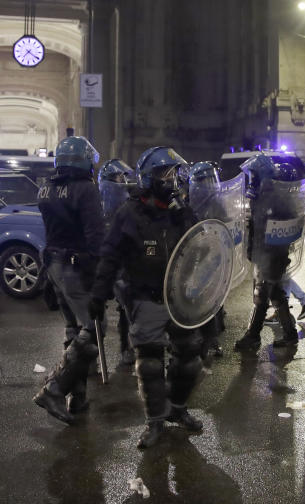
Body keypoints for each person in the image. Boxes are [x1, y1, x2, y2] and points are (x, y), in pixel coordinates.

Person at [89, 146, 204, 449]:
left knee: (190, 358)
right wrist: (99, 294)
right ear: (150, 178)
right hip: (146, 297)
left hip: (179, 299)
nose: (173, 179)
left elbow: (201, 247)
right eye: (166, 174)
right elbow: (110, 255)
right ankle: (155, 422)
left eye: (175, 173)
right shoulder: (129, 214)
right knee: (150, 364)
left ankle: (177, 410)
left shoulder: (181, 211)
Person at [33, 136, 106, 425]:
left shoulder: (46, 188)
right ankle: (54, 389)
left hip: (52, 264)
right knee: (94, 329)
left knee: (73, 330)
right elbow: (95, 235)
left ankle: (78, 398)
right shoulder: (86, 190)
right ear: (85, 160)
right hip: (76, 266)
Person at [234, 154, 305, 353]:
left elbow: (273, 226)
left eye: (254, 175)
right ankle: (290, 334)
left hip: (272, 253)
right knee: (275, 294)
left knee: (261, 295)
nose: (251, 179)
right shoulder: (264, 194)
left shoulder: (276, 198)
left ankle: (252, 337)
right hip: (264, 252)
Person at [186, 161, 228, 359]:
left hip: (213, 256)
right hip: (197, 256)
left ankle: (211, 341)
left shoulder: (216, 203)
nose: (210, 184)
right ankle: (204, 340)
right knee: (200, 299)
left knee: (212, 300)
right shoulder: (191, 203)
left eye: (211, 180)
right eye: (205, 180)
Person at [98, 158, 137, 365]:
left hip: (123, 260)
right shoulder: (100, 201)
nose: (122, 180)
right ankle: (93, 352)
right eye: (118, 177)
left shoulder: (126, 201)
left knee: (125, 307)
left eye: (123, 176)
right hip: (106, 261)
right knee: (99, 309)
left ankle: (125, 346)